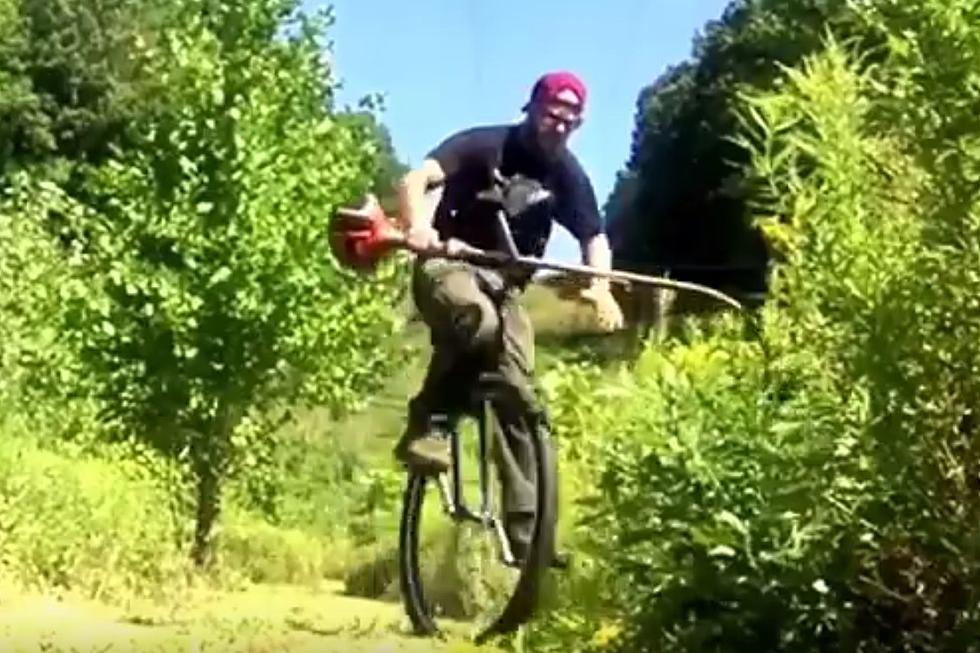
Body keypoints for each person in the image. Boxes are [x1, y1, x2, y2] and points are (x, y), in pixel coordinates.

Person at [392, 71, 624, 562]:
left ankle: (530, 536)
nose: (559, 122)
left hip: (506, 285)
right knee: (478, 320)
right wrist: (416, 226)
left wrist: (600, 287)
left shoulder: (567, 175)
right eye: (551, 109)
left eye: (570, 115)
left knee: (519, 394)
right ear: (532, 106)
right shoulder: (483, 145)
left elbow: (594, 238)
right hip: (447, 266)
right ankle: (429, 423)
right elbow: (416, 178)